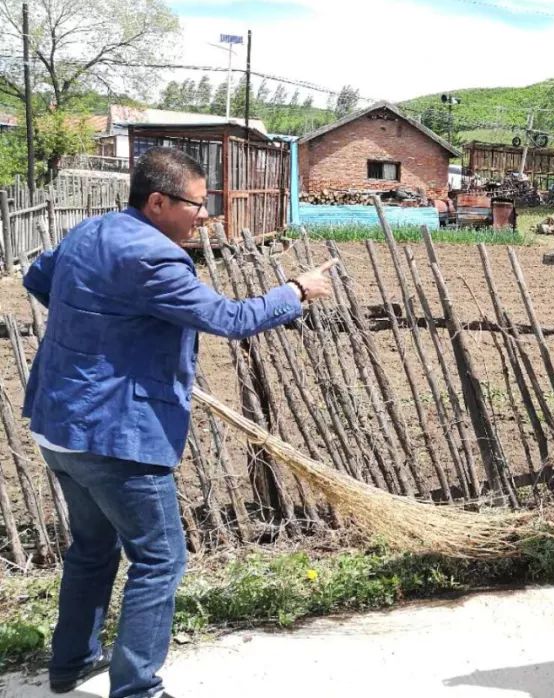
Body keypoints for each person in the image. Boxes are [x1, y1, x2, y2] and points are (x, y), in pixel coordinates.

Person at [24, 146, 337, 698]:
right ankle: (137, 689)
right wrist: (295, 291)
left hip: (59, 425)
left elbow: (37, 278)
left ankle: (72, 663)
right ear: (157, 201)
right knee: (159, 559)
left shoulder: (87, 233)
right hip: (113, 436)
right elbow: (229, 318)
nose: (204, 214)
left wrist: (103, 332)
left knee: (93, 550)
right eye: (197, 203)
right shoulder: (153, 256)